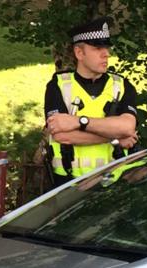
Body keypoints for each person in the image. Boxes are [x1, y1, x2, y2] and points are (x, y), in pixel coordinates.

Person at [44, 17, 138, 187]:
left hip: (116, 183)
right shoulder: (58, 85)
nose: (106, 54)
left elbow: (127, 127)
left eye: (107, 48)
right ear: (79, 53)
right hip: (70, 185)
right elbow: (61, 135)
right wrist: (114, 138)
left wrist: (78, 121)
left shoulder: (122, 86)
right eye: (97, 48)